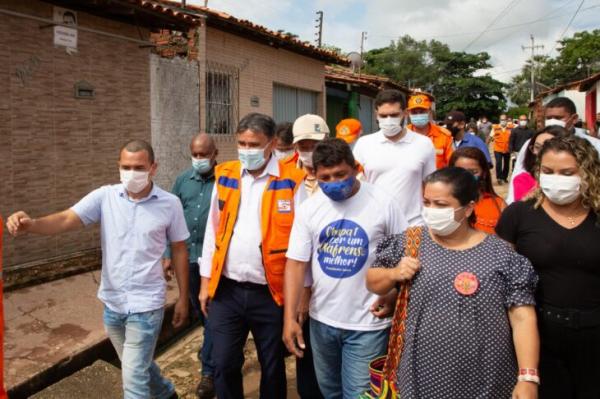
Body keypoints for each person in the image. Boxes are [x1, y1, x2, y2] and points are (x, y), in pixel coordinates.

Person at [6, 140, 190, 399]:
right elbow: (66, 218)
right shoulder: (105, 197)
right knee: (137, 366)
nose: (132, 172)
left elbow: (180, 249)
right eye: (126, 166)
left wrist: (183, 297)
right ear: (118, 166)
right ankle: (166, 393)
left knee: (133, 382)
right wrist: (31, 225)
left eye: (139, 167)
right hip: (112, 304)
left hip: (146, 305)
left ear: (153, 167)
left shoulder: (169, 204)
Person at [366, 167, 540, 398]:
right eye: (426, 202)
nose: (430, 211)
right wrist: (394, 274)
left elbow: (522, 317)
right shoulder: (409, 243)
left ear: (468, 208)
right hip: (420, 375)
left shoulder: (500, 255)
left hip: (487, 378)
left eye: (441, 204)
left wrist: (528, 377)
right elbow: (373, 282)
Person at [283, 138, 407, 398]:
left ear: (355, 168)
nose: (333, 182)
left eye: (340, 174)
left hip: (368, 324)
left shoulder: (383, 203)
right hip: (322, 322)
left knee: (360, 395)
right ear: (315, 174)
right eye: (325, 177)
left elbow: (403, 256)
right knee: (330, 393)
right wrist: (290, 318)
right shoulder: (309, 209)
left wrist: (394, 295)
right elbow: (296, 263)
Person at [199, 113, 307, 399]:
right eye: (242, 144)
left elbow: (303, 243)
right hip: (227, 290)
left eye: (254, 144)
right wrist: (205, 281)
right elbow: (214, 232)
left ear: (271, 143)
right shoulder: (225, 174)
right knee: (222, 363)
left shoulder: (292, 180)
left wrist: (299, 299)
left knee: (272, 365)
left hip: (271, 293)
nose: (247, 150)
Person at [496, 135, 600, 398]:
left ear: (588, 173)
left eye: (567, 173)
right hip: (537, 336)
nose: (556, 179)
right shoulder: (518, 215)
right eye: (548, 171)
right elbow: (499, 275)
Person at [162, 133, 217, 399]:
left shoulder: (227, 181)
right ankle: (218, 349)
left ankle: (210, 370)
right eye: (195, 154)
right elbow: (170, 220)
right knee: (201, 312)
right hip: (189, 261)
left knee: (212, 315)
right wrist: (167, 253)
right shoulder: (183, 181)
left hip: (216, 264)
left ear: (214, 154)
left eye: (204, 155)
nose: (199, 159)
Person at [290, 114, 330, 399]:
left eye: (314, 143)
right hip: (296, 272)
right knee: (304, 347)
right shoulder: (284, 176)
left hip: (333, 273)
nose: (309, 150)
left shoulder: (346, 175)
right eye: (303, 144)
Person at [353, 89, 436, 225]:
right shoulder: (364, 144)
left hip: (413, 224)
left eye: (394, 115)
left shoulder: (423, 144)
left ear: (404, 113)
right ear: (376, 114)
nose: (388, 120)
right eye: (383, 116)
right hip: (375, 223)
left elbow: (430, 185)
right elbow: (356, 184)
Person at [507, 97, 600, 203]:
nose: (552, 121)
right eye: (549, 118)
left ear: (574, 118)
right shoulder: (532, 143)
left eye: (558, 117)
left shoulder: (594, 145)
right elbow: (519, 172)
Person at [449, 147, 506, 234]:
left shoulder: (499, 206)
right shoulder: (441, 204)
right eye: (459, 171)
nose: (466, 176)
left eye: (473, 172)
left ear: (484, 174)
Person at [512, 126, 568, 202]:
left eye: (547, 147)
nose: (540, 153)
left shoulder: (575, 179)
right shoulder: (523, 180)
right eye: (537, 147)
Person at [406, 93, 453, 169]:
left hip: (437, 179)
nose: (418, 115)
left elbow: (452, 165)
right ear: (408, 113)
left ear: (430, 112)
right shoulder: (402, 135)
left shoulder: (444, 136)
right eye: (414, 112)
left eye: (422, 111)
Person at [489, 114, 512, 184]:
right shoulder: (495, 128)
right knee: (498, 163)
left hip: (507, 149)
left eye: (504, 119)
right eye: (502, 120)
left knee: (506, 164)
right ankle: (499, 178)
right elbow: (490, 137)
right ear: (499, 120)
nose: (503, 121)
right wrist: (485, 145)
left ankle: (504, 177)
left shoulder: (511, 128)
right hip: (497, 149)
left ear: (507, 120)